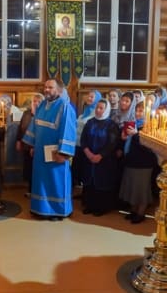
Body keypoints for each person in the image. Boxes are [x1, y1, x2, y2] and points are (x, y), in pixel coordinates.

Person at [22, 78, 77, 221]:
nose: (47, 90)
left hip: (56, 153)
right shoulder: (42, 106)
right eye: (45, 87)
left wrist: (63, 153)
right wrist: (33, 145)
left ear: (59, 90)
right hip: (40, 153)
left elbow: (68, 130)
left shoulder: (65, 107)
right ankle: (40, 209)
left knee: (56, 182)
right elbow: (35, 125)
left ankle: (58, 211)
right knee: (41, 181)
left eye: (50, 87)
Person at [118, 102, 158, 223]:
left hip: (143, 163)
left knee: (141, 190)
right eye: (137, 110)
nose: (138, 113)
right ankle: (133, 210)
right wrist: (125, 137)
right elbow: (130, 144)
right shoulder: (134, 124)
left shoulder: (150, 126)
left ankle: (141, 213)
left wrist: (135, 135)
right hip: (132, 161)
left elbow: (148, 146)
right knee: (132, 188)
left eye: (141, 111)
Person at [80, 99, 120, 216]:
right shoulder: (90, 122)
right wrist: (88, 153)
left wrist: (100, 155)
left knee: (102, 183)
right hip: (89, 158)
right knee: (89, 182)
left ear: (106, 110)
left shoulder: (111, 125)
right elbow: (84, 139)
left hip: (105, 161)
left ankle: (101, 207)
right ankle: (89, 205)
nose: (98, 110)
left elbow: (112, 143)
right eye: (97, 107)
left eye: (101, 108)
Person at [15, 93, 44, 196]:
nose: (36, 103)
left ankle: (36, 191)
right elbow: (20, 128)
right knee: (28, 168)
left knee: (37, 169)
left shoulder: (43, 114)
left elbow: (40, 132)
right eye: (34, 101)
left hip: (37, 147)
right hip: (26, 145)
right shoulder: (26, 113)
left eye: (39, 101)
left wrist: (34, 146)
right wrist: (18, 141)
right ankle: (30, 189)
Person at [72, 89, 102, 187]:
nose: (89, 98)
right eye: (88, 96)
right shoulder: (84, 112)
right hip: (77, 144)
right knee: (76, 167)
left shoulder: (96, 113)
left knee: (84, 168)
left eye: (92, 97)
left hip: (86, 146)